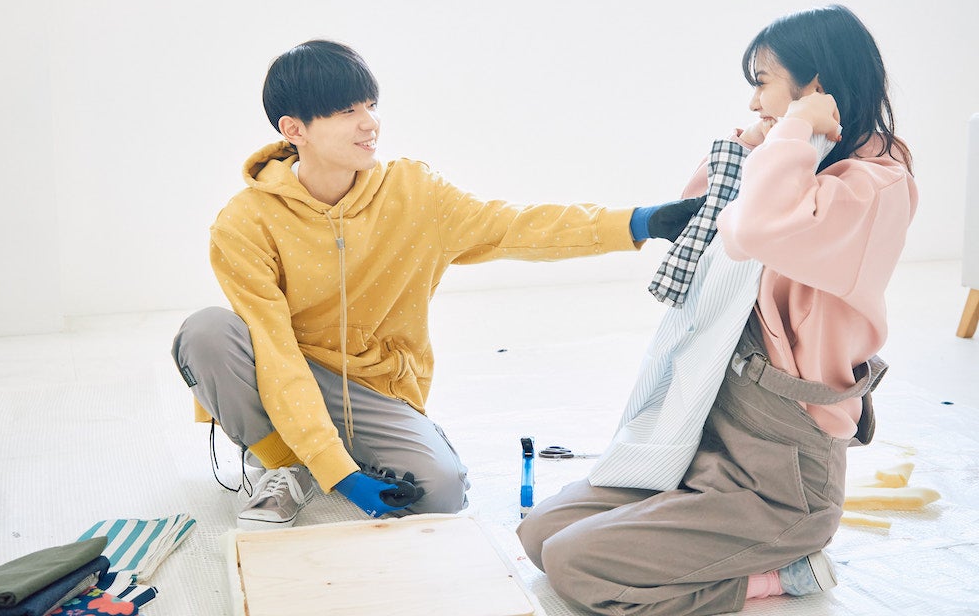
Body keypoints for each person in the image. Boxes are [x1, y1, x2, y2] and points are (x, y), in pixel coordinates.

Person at [171, 39, 704, 529]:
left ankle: (339, 446)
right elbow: (275, 352)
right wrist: (339, 475)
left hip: (375, 385)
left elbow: (513, 225)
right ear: (294, 130)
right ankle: (285, 463)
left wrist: (639, 222)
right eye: (345, 112)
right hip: (286, 367)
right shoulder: (245, 223)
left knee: (442, 493)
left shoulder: (413, 191)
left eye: (370, 105)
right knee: (206, 333)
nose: (369, 124)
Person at [517, 4, 917, 615]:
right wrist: (753, 145)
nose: (754, 102)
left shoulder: (871, 187)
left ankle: (782, 576)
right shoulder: (800, 159)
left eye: (763, 83)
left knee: (577, 565)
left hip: (780, 474)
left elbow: (753, 230)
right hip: (707, 437)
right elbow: (703, 224)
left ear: (814, 84)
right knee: (541, 535)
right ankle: (701, 534)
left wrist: (789, 134)